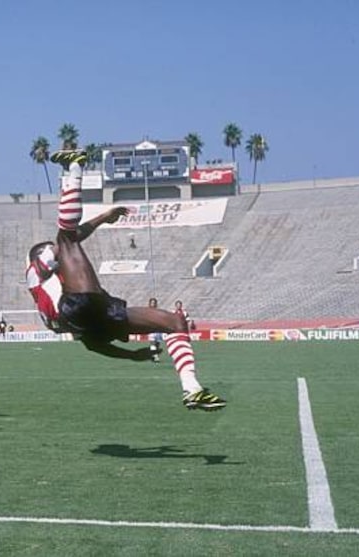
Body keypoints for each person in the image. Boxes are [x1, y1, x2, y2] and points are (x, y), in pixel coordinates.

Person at [25, 149, 225, 411]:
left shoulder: (53, 279)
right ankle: (74, 168)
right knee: (66, 236)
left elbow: (93, 345)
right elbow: (68, 237)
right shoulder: (35, 269)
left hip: (92, 318)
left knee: (175, 323)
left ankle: (192, 389)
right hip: (77, 307)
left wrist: (132, 356)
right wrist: (100, 219)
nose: (57, 250)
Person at [148, 297, 164, 363]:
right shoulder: (147, 311)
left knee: (157, 344)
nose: (153, 304)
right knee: (152, 342)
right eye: (152, 303)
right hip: (151, 329)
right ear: (149, 304)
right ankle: (156, 357)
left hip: (158, 329)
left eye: (154, 303)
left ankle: (154, 356)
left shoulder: (158, 311)